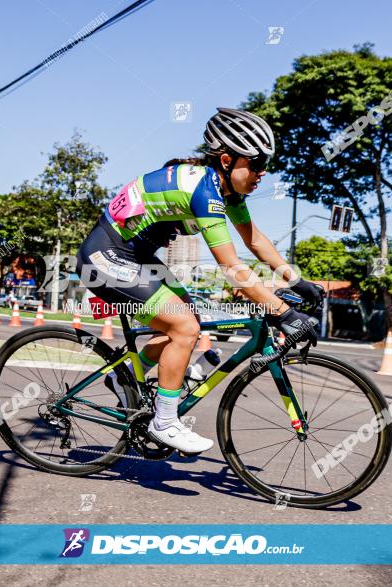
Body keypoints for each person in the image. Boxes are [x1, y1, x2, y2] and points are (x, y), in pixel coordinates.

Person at [76, 107, 323, 454]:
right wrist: (283, 313)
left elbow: (255, 241)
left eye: (264, 164)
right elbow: (231, 266)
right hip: (104, 257)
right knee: (184, 327)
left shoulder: (226, 192)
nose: (261, 172)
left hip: (137, 257)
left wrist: (296, 281)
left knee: (187, 321)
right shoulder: (203, 191)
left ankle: (123, 378)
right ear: (226, 159)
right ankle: (164, 422)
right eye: (254, 164)